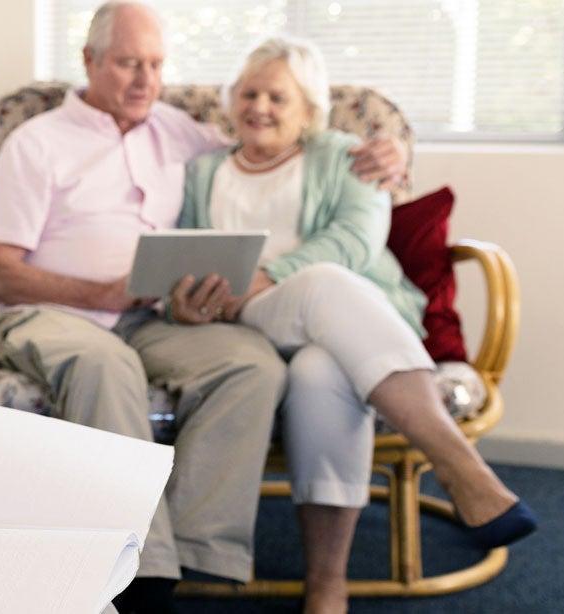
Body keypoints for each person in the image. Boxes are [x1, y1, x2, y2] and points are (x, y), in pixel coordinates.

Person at [0, 2, 410, 611]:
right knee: (106, 365)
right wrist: (97, 293)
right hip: (52, 314)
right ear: (90, 61)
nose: (145, 81)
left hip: (153, 318)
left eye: (155, 65)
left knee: (253, 363)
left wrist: (388, 156)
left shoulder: (176, 129)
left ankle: (202, 557)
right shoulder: (36, 142)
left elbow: (276, 143)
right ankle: (142, 577)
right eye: (128, 63)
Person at [179, 36, 537, 613]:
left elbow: (355, 240)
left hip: (345, 333)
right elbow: (188, 253)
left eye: (278, 96)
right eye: (249, 92)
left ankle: (327, 582)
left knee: (322, 371)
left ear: (308, 111)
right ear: (230, 101)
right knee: (323, 283)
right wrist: (206, 294)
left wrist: (268, 274)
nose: (260, 106)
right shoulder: (201, 172)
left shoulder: (346, 154)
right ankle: (457, 464)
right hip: (248, 323)